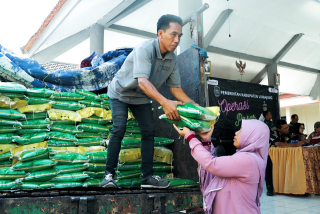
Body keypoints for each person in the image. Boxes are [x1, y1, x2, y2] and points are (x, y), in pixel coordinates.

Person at [100, 14, 197, 189]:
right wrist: (166, 103)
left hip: (141, 96)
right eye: (173, 34)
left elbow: (176, 89)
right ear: (160, 33)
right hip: (121, 92)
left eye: (179, 36)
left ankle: (147, 178)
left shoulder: (173, 58)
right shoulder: (144, 49)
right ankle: (108, 176)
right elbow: (143, 82)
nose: (177, 40)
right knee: (119, 127)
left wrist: (194, 105)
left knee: (149, 131)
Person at [173, 120, 269, 214]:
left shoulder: (248, 160)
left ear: (252, 137)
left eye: (241, 131)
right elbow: (213, 170)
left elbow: (211, 164)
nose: (236, 133)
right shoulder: (250, 158)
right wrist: (206, 141)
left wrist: (190, 137)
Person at [266, 120, 304, 196]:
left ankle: (287, 188)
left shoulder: (288, 133)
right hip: (271, 155)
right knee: (269, 169)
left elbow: (297, 136)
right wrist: (296, 145)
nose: (287, 129)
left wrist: (302, 137)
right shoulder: (273, 133)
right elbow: (277, 143)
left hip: (283, 155)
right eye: (285, 128)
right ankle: (269, 188)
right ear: (279, 129)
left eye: (287, 127)